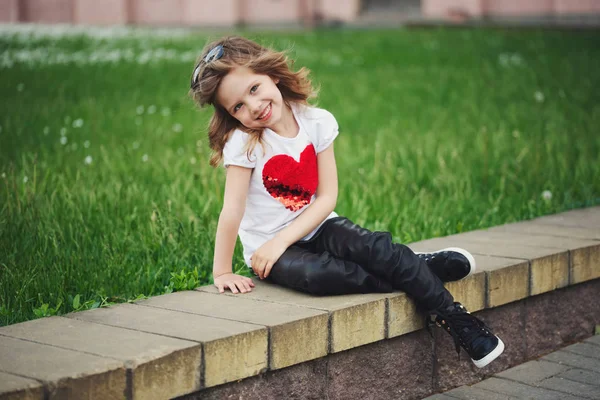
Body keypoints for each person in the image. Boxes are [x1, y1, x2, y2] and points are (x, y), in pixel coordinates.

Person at [189, 36, 504, 368]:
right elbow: (232, 209)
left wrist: (286, 236)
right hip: (271, 251)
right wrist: (222, 270)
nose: (252, 106)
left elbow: (326, 198)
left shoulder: (316, 121)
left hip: (318, 224)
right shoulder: (243, 143)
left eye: (254, 89)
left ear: (272, 74)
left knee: (375, 248)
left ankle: (459, 322)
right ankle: (415, 269)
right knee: (317, 277)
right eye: (237, 106)